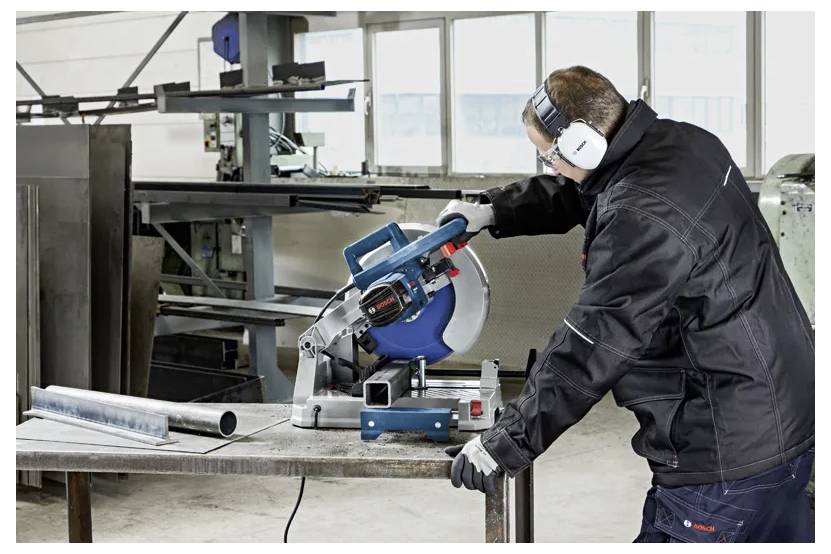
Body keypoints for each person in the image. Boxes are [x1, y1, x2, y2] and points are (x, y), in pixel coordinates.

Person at [438, 66, 815, 543]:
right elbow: (589, 191)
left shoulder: (641, 217)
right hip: (786, 415)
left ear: (583, 145)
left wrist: (506, 442)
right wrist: (494, 209)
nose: (550, 167)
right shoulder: (682, 144)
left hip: (723, 450)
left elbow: (590, 348)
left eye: (550, 155)